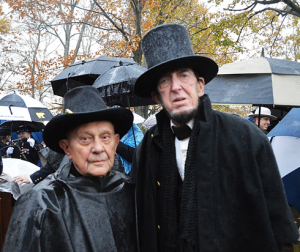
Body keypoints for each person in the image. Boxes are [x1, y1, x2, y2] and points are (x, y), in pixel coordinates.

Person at [132, 24, 298, 252]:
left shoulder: (244, 137)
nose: (176, 87)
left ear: (200, 86)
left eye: (183, 76)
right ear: (156, 97)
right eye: (165, 81)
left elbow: (279, 226)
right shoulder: (148, 146)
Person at [2, 86, 137, 252]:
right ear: (67, 149)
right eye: (85, 138)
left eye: (105, 137)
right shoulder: (41, 203)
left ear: (116, 143)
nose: (98, 148)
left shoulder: (132, 192)